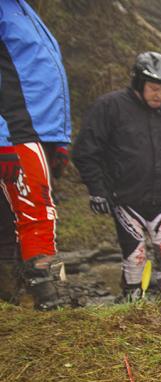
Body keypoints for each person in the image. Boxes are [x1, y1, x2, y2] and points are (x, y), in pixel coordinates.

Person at [72, 52, 161, 299]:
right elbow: (85, 151)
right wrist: (97, 190)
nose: (159, 95)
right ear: (139, 83)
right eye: (153, 88)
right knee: (135, 258)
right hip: (126, 199)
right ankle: (132, 306)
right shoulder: (109, 106)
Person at [0, 0, 73, 309]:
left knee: (18, 217)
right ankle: (52, 304)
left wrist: (60, 139)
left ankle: (17, 302)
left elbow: (49, 76)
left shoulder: (23, 8)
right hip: (15, 130)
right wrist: (2, 138)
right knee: (37, 214)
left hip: (39, 131)